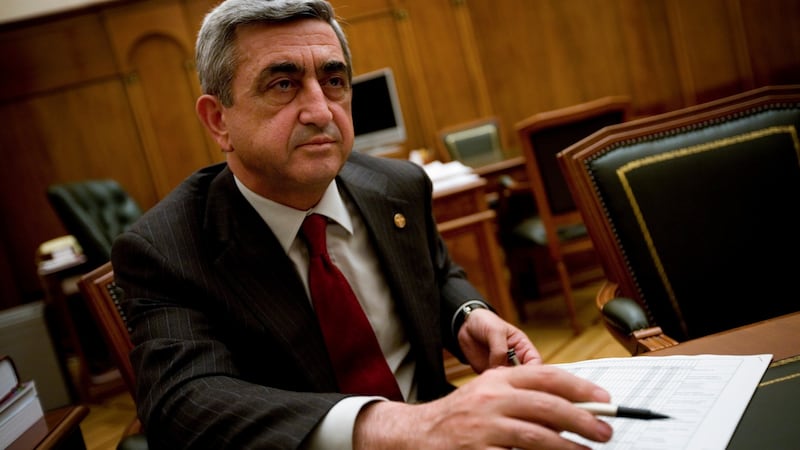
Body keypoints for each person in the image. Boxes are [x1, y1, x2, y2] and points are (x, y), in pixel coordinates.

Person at [110, 0, 614, 448]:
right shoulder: (165, 249)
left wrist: (467, 314)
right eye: (283, 85)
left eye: (333, 81)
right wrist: (397, 427)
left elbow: (436, 274)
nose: (320, 111)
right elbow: (182, 403)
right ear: (219, 120)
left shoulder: (398, 186)